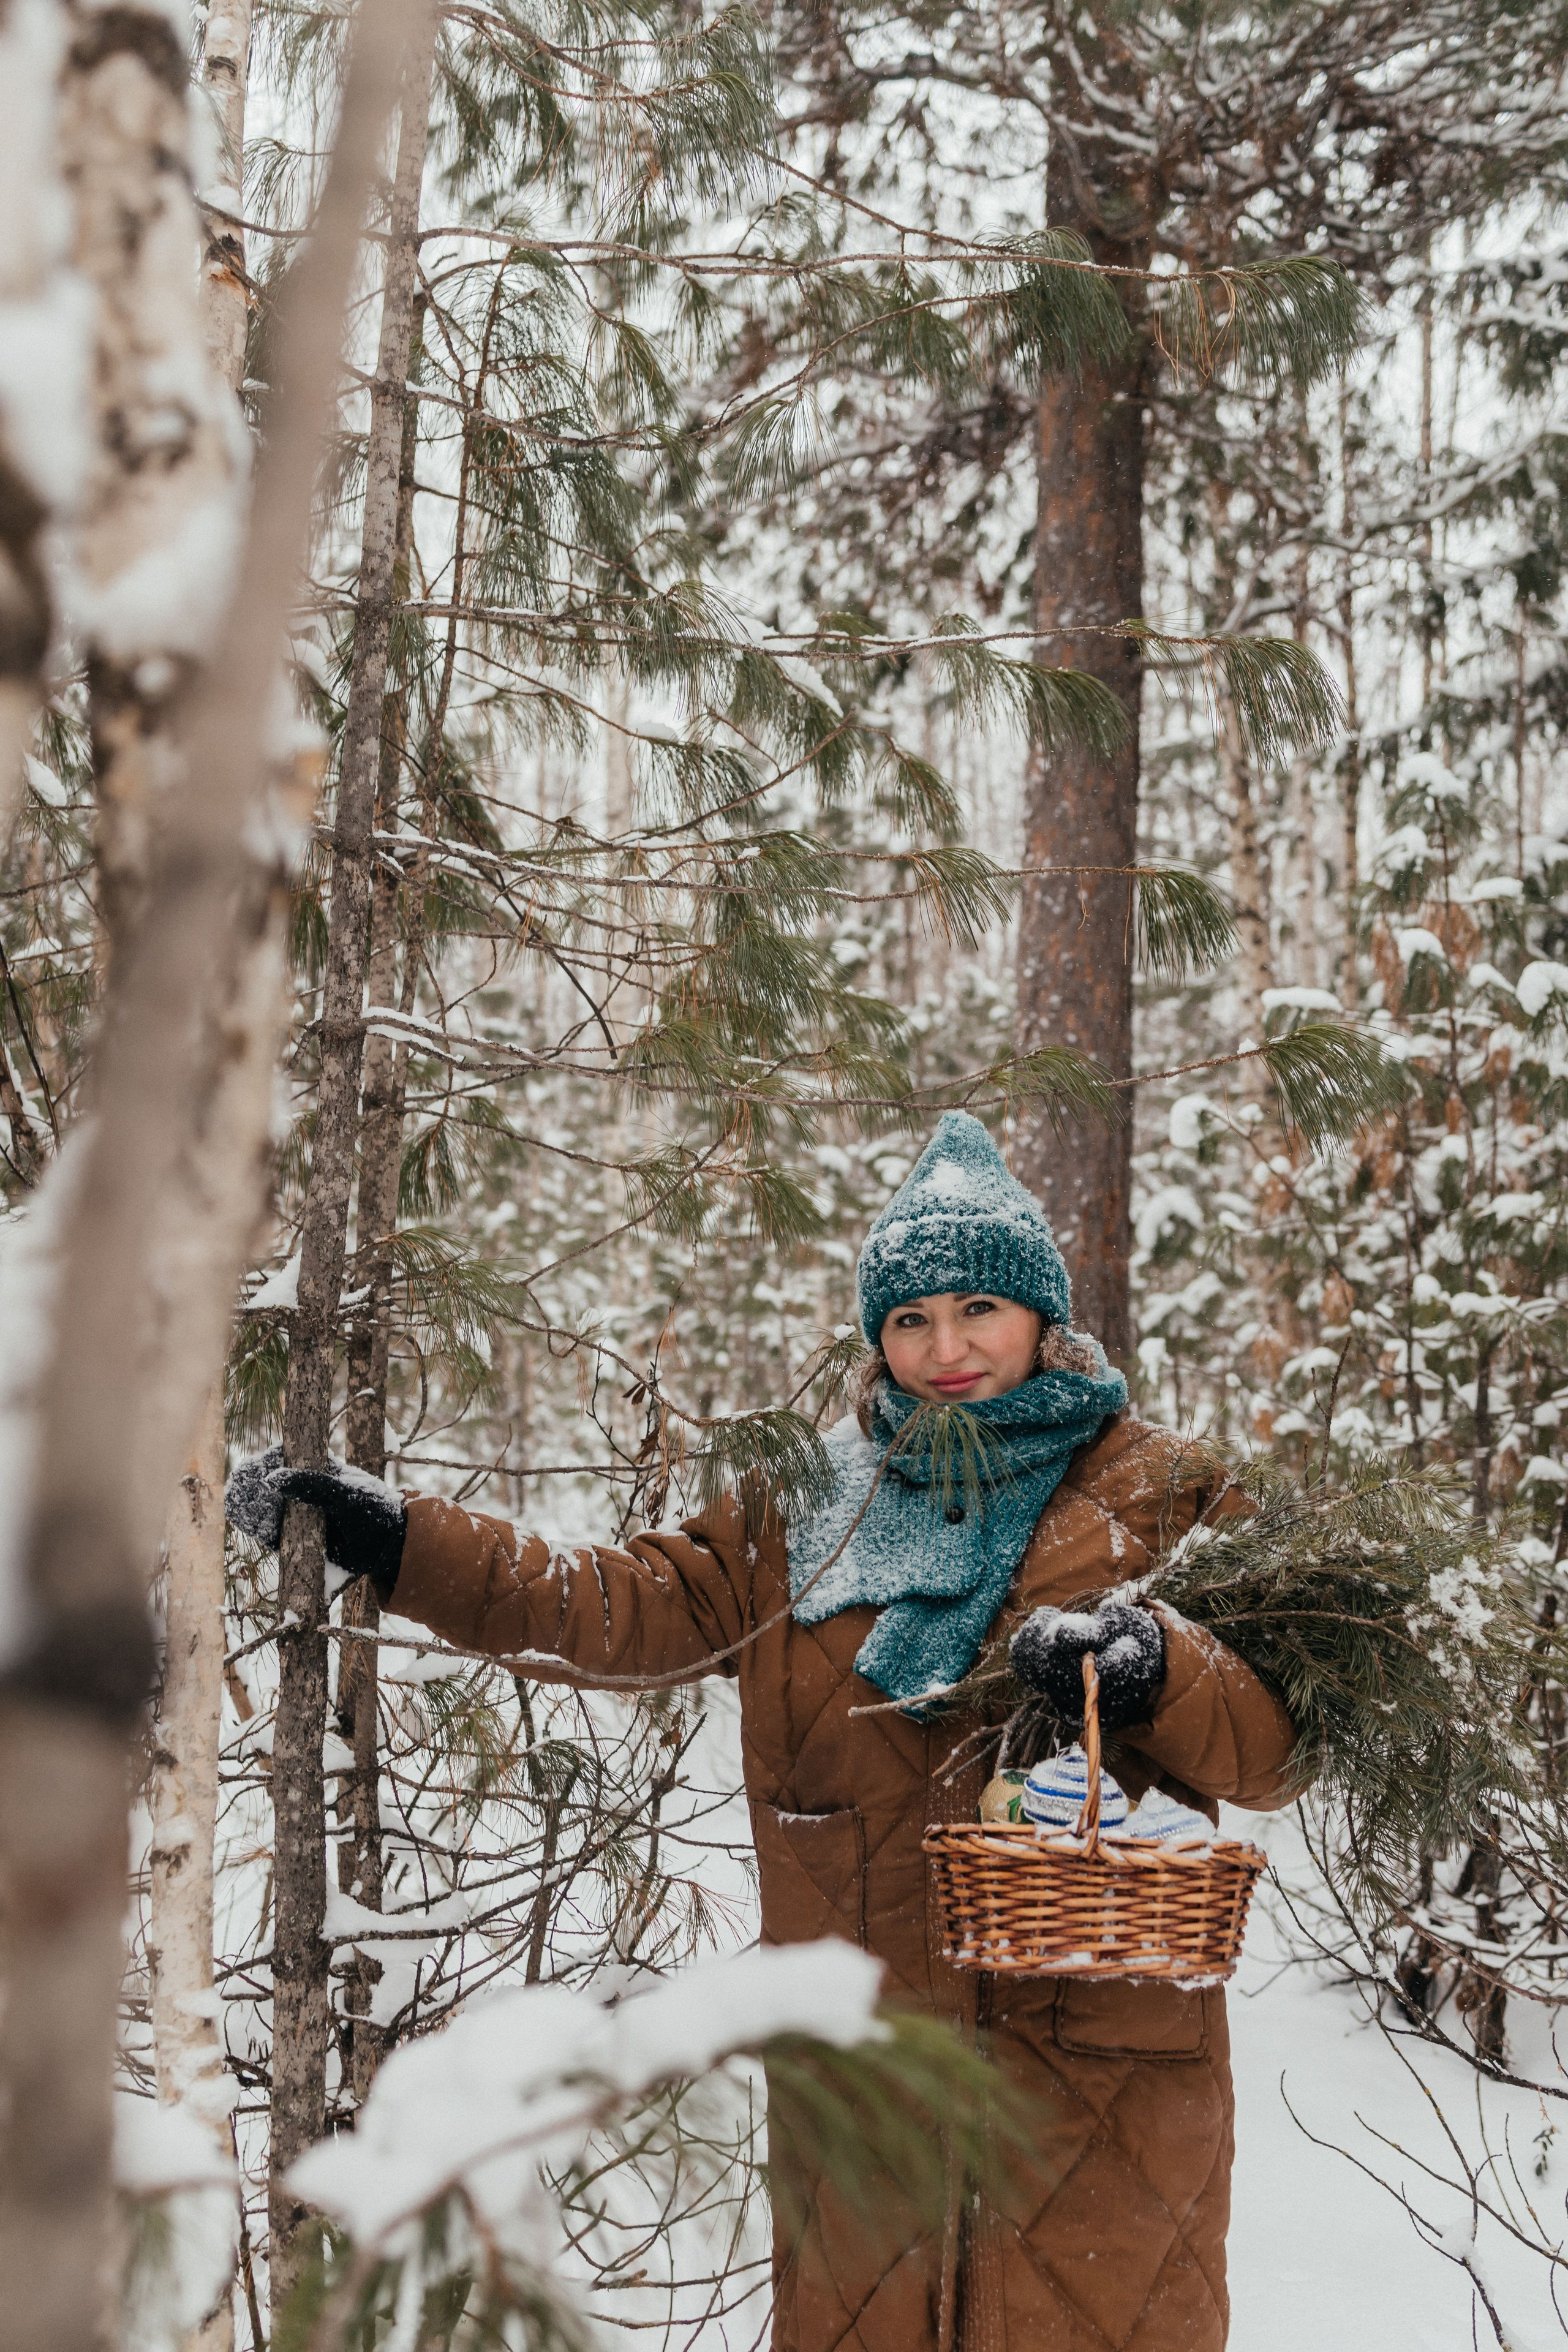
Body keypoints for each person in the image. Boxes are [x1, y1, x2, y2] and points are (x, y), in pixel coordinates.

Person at [228, 1110, 1300, 2352]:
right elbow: (617, 1608)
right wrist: (401, 1541)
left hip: (1095, 2080)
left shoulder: (1164, 1493)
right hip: (865, 2064)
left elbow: (1276, 1752)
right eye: (908, 1320)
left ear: (1039, 1318)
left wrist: (1160, 1667)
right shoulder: (807, 1504)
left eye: (977, 1312)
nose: (943, 1350)